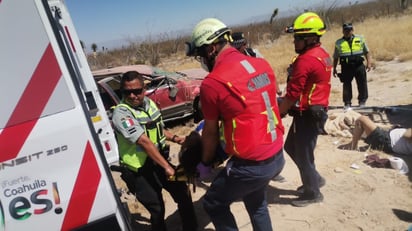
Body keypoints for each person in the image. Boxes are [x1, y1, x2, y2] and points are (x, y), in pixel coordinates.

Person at [186, 18, 285, 230]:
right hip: (276, 154)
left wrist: (205, 163)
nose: (201, 60)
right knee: (256, 202)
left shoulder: (213, 83)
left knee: (213, 203)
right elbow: (250, 109)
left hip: (251, 166)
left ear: (211, 48)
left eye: (201, 54)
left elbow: (211, 133)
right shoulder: (261, 64)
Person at [111, 71, 197, 231]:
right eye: (126, 92)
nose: (132, 96)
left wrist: (176, 138)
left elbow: (158, 128)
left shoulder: (149, 104)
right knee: (157, 208)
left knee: (183, 193)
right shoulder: (121, 113)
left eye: (136, 91)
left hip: (158, 161)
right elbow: (143, 141)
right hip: (140, 170)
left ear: (144, 89)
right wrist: (168, 168)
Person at [278, 12, 332, 207]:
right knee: (291, 148)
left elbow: (293, 93)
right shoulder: (322, 54)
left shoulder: (305, 60)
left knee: (303, 155)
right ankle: (315, 179)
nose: (294, 42)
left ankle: (313, 193)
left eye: (298, 38)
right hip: (314, 111)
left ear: (311, 38)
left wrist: (279, 112)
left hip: (308, 115)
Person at [333, 22, 372, 109]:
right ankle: (347, 102)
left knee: (362, 84)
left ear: (352, 30)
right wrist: (334, 68)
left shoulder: (360, 39)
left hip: (359, 66)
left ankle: (362, 101)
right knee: (346, 85)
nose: (348, 32)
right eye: (346, 30)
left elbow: (367, 52)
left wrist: (369, 63)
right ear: (342, 31)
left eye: (349, 30)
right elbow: (336, 57)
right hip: (346, 67)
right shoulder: (338, 43)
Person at [340, 115, 412, 155]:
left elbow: (407, 134)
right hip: (391, 135)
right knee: (367, 126)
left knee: (362, 119)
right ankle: (349, 128)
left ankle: (353, 145)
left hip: (387, 141)